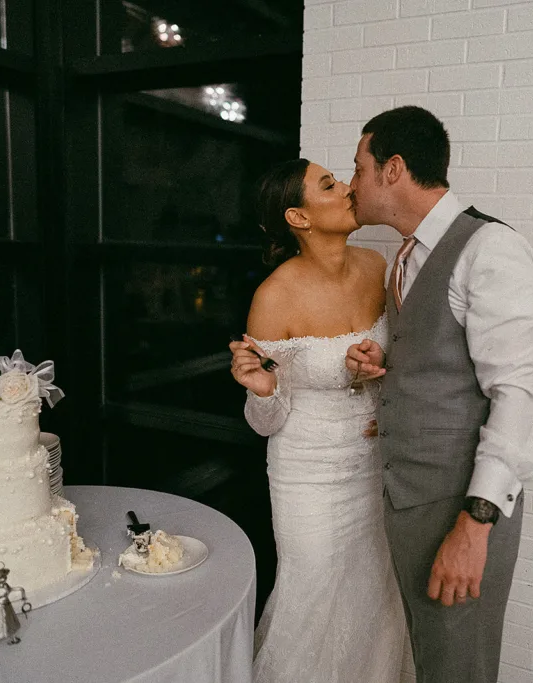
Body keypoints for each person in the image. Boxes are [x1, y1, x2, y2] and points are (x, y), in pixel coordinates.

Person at [345, 106, 533, 683]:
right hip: (409, 504)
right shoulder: (406, 256)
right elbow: (442, 355)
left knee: (461, 669)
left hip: (459, 510)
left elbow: (515, 395)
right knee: (432, 663)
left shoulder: (491, 249)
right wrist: (390, 363)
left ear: (393, 169)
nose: (353, 181)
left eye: (359, 167)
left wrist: (474, 525)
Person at [229, 158, 406, 683]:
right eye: (329, 185)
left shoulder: (378, 266)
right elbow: (267, 419)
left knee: (376, 594)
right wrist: (263, 390)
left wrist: (378, 371)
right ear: (298, 218)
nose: (350, 188)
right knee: (312, 597)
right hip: (308, 474)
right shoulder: (274, 296)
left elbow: (403, 364)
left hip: (377, 467)